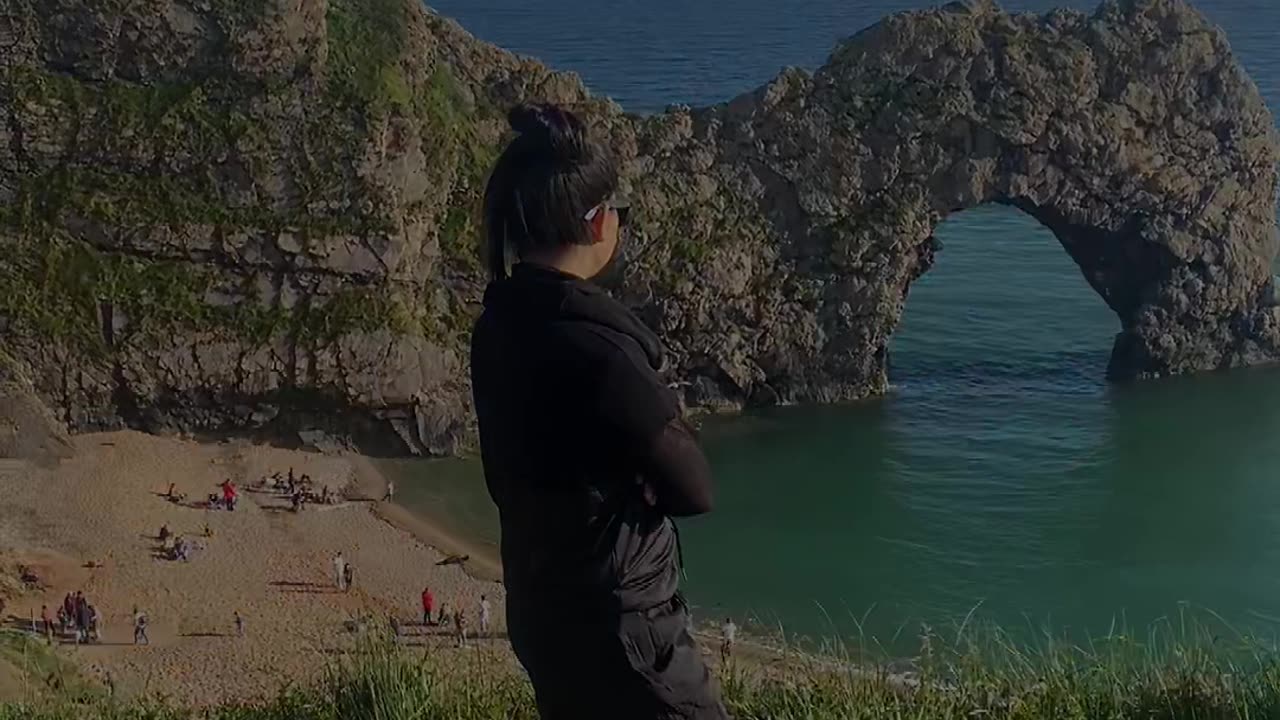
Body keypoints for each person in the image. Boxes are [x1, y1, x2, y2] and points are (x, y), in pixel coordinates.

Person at [470, 103, 725, 719]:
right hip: (625, 629)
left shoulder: (497, 325)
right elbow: (695, 489)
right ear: (598, 222)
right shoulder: (603, 352)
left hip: (540, 604)